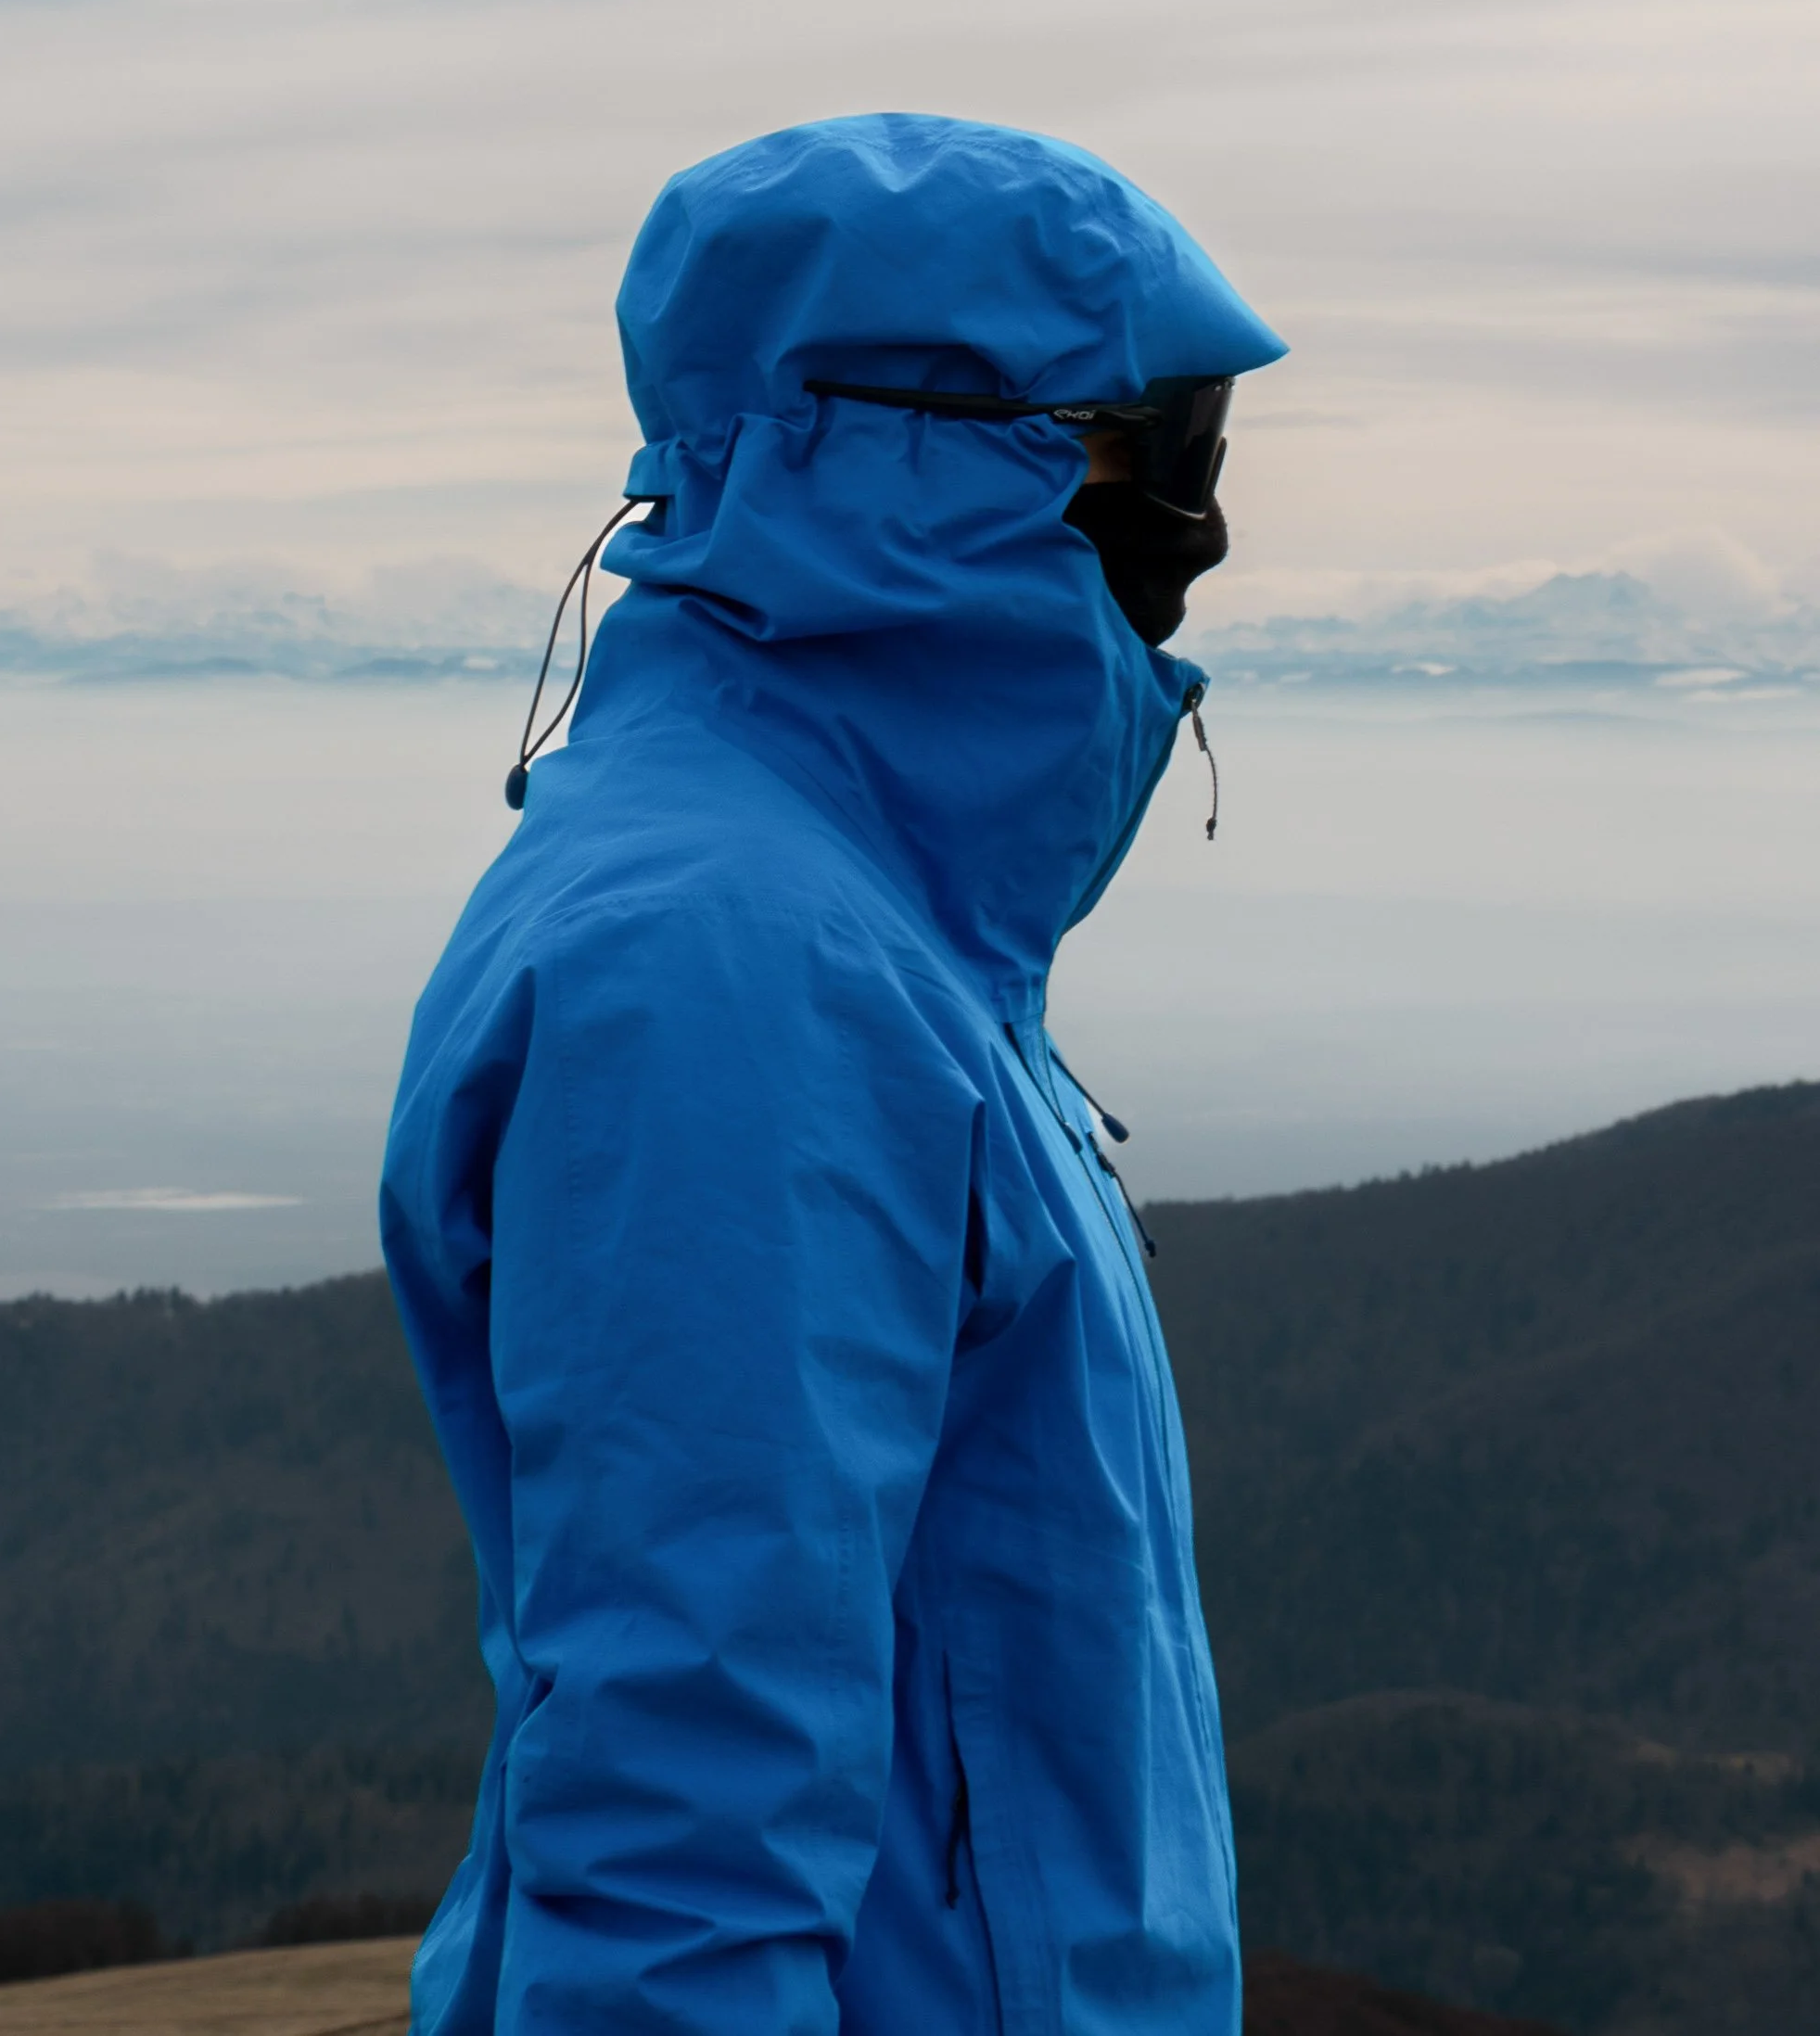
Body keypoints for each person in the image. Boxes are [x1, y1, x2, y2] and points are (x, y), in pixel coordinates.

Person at [381, 112, 1286, 2034]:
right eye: (1169, 443)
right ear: (909, 457)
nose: (1203, 520)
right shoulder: (736, 966)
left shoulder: (878, 913)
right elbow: (682, 1813)